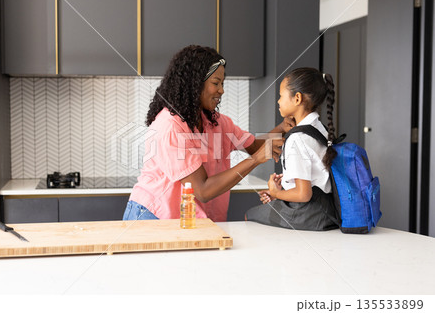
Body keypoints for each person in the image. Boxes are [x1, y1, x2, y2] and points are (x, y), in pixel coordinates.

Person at [123, 45, 293, 222]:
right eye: (216, 83)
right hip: (152, 216)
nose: (221, 90)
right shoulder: (170, 126)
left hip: (189, 220)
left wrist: (282, 128)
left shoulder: (218, 122)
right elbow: (202, 190)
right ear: (195, 83)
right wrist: (257, 159)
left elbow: (255, 147)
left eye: (222, 83)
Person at [245, 67, 339, 231]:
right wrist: (284, 188)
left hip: (309, 213)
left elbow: (303, 194)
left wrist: (276, 194)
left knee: (250, 215)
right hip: (328, 212)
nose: (278, 101)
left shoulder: (297, 138)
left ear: (297, 98)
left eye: (281, 96)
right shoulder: (320, 130)